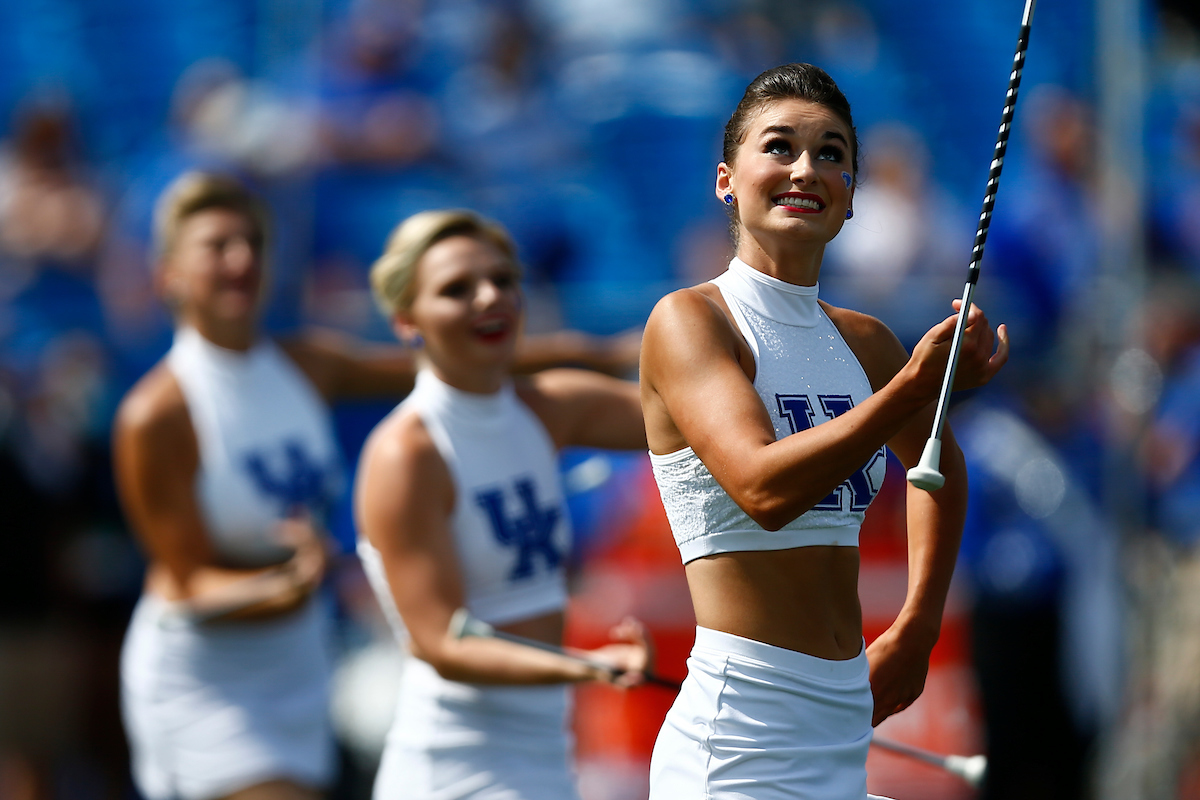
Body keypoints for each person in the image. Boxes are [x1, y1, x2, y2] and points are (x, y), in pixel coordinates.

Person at [111, 171, 643, 800]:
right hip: (210, 674)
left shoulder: (305, 364)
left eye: (252, 242)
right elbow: (183, 581)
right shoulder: (156, 414)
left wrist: (604, 353)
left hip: (299, 655)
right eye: (218, 245)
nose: (243, 259)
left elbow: (455, 359)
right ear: (168, 274)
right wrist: (285, 583)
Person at [638, 63, 1009, 799]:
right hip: (739, 744)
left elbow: (936, 464)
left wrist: (917, 624)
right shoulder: (691, 321)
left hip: (841, 726)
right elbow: (761, 487)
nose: (806, 167)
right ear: (726, 181)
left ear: (849, 199)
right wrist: (910, 389)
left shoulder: (866, 342)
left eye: (832, 153)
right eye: (779, 146)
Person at [354, 208, 652, 800]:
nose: (490, 298)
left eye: (502, 279)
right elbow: (443, 641)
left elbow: (696, 422)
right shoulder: (406, 452)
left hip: (546, 750)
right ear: (406, 320)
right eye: (456, 289)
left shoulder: (548, 407)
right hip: (455, 762)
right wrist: (588, 666)